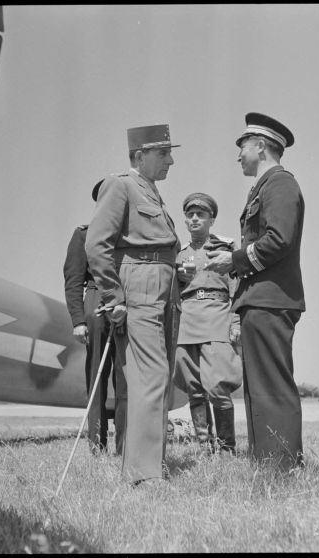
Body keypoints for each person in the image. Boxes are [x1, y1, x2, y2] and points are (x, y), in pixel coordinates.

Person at [205, 112, 305, 471]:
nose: (238, 154)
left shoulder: (279, 184)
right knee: (259, 387)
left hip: (270, 298)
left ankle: (281, 466)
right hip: (260, 298)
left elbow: (279, 239)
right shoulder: (266, 186)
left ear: (261, 146)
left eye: (242, 145)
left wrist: (233, 261)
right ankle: (269, 463)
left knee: (271, 385)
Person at [85, 124, 181, 486]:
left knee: (155, 378)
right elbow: (96, 245)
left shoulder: (151, 191)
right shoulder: (120, 185)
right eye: (163, 153)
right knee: (150, 377)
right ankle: (143, 476)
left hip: (162, 284)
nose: (170, 160)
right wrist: (112, 296)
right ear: (140, 155)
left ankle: (145, 465)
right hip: (139, 285)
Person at [174, 193, 242, 454]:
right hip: (187, 321)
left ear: (211, 219)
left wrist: (235, 321)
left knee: (217, 386)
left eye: (200, 214)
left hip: (216, 317)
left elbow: (236, 288)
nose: (194, 219)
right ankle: (205, 447)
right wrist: (179, 279)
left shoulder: (225, 249)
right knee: (194, 388)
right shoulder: (179, 255)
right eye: (190, 215)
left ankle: (227, 449)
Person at [63, 180, 127, 455]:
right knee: (97, 375)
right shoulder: (83, 235)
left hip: (128, 303)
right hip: (97, 302)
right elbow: (74, 280)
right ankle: (97, 444)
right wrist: (78, 320)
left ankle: (126, 444)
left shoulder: (130, 236)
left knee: (127, 375)